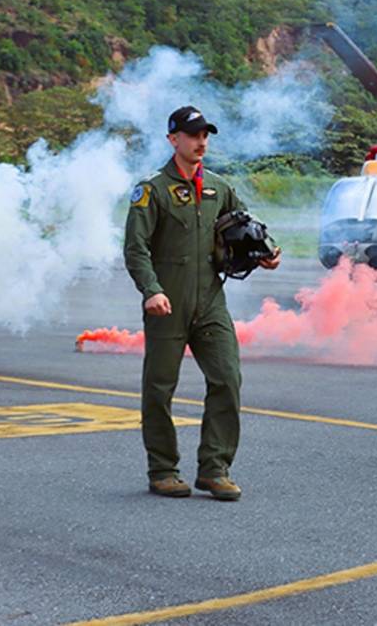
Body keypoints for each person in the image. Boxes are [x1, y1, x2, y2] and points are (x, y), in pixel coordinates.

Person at [124, 105, 280, 500]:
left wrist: (266, 253)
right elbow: (135, 248)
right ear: (173, 139)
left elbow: (245, 227)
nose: (201, 142)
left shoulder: (217, 187)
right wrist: (151, 290)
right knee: (159, 388)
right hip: (168, 302)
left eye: (205, 135)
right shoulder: (152, 190)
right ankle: (163, 469)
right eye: (193, 135)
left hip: (210, 301)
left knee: (227, 379)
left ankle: (215, 468)